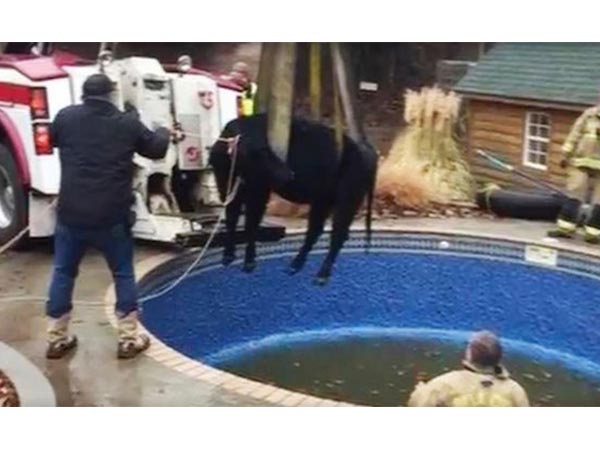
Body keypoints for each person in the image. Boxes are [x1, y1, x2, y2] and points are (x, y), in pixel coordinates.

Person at [46, 73, 170, 360]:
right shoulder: (126, 123)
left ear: (83, 94)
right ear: (111, 95)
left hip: (71, 214)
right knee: (123, 274)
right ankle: (128, 339)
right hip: (111, 217)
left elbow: (52, 139)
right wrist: (164, 130)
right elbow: (156, 149)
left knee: (63, 273)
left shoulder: (65, 117)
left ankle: (56, 338)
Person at [407, 331, 529, 407]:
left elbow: (417, 406)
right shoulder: (515, 391)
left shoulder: (444, 385)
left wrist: (420, 391)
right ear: (499, 357)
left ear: (469, 355)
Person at [548, 104, 600, 243]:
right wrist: (565, 154)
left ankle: (593, 234)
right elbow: (574, 135)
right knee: (574, 193)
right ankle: (565, 229)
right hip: (580, 162)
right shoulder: (589, 115)